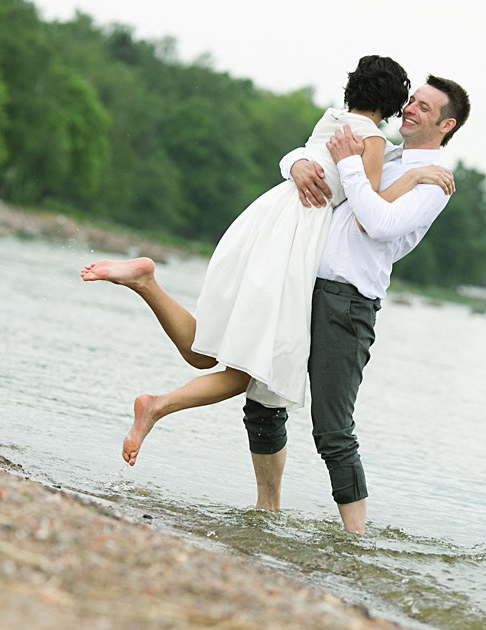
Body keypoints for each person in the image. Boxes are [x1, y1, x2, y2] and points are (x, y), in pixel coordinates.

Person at [80, 57, 454, 468]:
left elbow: (314, 161)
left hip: (265, 220)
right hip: (294, 238)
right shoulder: (374, 142)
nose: (409, 111)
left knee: (207, 350)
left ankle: (147, 283)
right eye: (408, 102)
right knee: (254, 368)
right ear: (393, 103)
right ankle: (156, 405)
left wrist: (295, 162)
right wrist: (415, 178)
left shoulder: (330, 119)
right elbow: (370, 209)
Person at [244, 75, 471, 533]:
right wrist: (294, 166)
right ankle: (266, 513)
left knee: (332, 429)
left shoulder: (435, 183)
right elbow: (309, 151)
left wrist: (363, 169)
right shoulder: (384, 153)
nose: (410, 109)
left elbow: (376, 223)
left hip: (347, 303)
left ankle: (357, 542)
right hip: (303, 284)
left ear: (445, 125)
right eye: (411, 101)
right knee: (262, 402)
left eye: (424, 108)